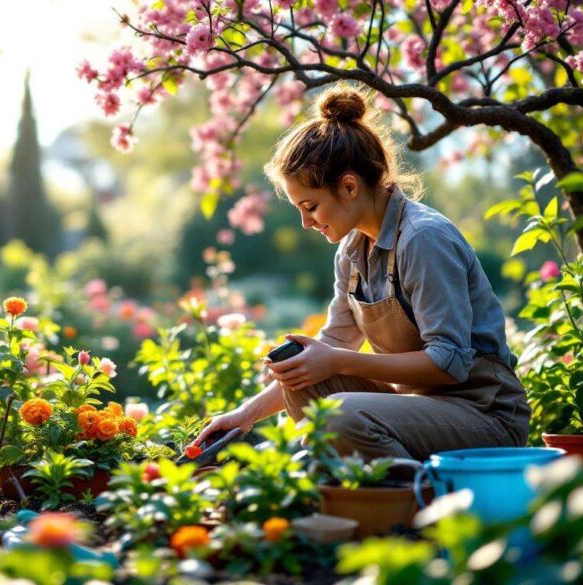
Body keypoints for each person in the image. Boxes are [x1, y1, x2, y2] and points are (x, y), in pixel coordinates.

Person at [194, 85, 530, 461]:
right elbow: (332, 347)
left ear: (349, 186)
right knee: (304, 382)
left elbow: (448, 364)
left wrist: (338, 361)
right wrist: (245, 415)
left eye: (310, 206)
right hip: (421, 411)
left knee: (338, 415)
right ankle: (363, 491)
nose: (305, 222)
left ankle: (411, 501)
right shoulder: (352, 252)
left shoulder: (422, 239)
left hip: (483, 415)